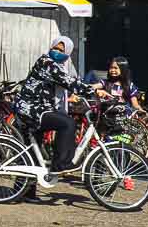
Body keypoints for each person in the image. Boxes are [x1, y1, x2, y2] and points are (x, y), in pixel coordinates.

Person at [11, 36, 94, 183]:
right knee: (67, 123)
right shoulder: (46, 63)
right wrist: (93, 91)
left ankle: (25, 192)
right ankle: (59, 164)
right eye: (55, 48)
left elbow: (72, 80)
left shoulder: (61, 67)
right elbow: (67, 81)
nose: (56, 51)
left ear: (68, 53)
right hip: (31, 108)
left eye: (61, 50)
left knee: (32, 153)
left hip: (38, 108)